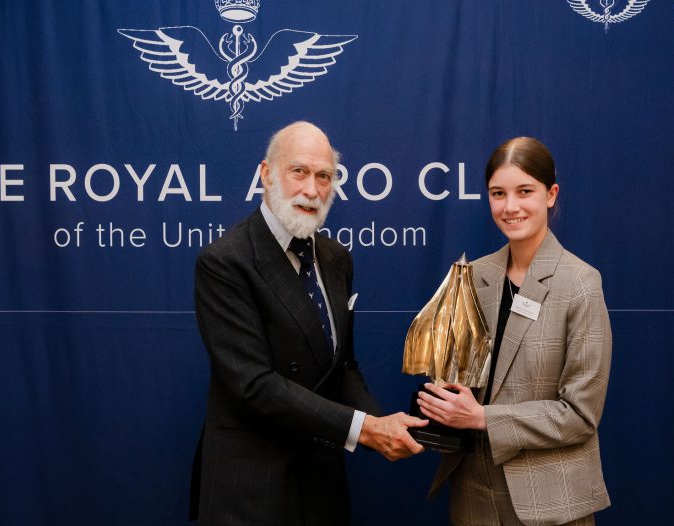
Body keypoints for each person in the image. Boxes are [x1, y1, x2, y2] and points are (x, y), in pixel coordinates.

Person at [191, 121, 427, 525]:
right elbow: (254, 386)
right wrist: (364, 429)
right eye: (298, 171)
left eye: (324, 177)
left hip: (321, 483)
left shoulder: (336, 259)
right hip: (251, 487)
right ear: (266, 174)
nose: (312, 190)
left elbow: (342, 367)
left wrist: (381, 424)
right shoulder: (225, 261)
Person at [416, 137, 612, 526]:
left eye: (525, 191)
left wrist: (483, 418)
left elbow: (580, 414)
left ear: (551, 195)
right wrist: (442, 408)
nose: (510, 207)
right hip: (472, 495)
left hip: (550, 503)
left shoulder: (581, 283)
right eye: (498, 193)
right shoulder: (472, 275)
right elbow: (456, 382)